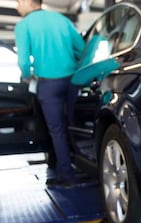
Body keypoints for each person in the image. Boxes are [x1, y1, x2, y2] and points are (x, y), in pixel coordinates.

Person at [15, 0, 85, 187]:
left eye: (18, 2)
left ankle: (68, 177)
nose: (17, 7)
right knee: (72, 124)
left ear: (28, 2)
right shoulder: (61, 19)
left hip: (49, 84)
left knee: (57, 130)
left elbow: (23, 62)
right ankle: (84, 165)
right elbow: (81, 48)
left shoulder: (24, 26)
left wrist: (26, 76)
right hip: (73, 80)